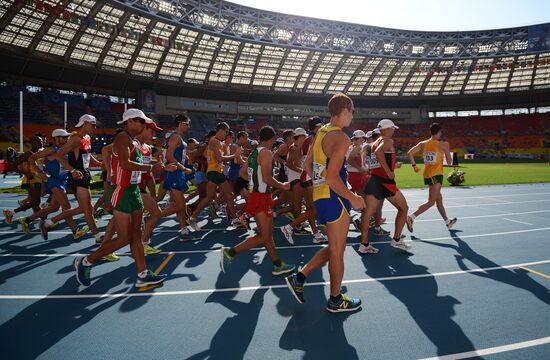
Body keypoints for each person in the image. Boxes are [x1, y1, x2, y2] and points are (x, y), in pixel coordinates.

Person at [285, 93, 365, 313]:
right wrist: (353, 197)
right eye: (352, 111)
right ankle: (335, 300)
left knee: (334, 248)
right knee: (338, 251)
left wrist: (320, 185)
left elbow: (307, 165)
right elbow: (332, 177)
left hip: (321, 197)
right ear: (345, 109)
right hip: (335, 197)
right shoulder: (341, 137)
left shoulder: (321, 132)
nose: (353, 116)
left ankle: (300, 277)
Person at [73, 109, 170, 287]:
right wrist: (149, 169)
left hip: (133, 191)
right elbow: (125, 164)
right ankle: (86, 261)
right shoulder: (122, 137)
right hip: (122, 191)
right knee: (125, 238)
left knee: (136, 235)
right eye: (142, 122)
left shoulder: (134, 141)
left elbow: (137, 164)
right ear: (131, 121)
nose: (144, 125)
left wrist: (157, 165)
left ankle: (142, 275)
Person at [220, 126, 295, 276]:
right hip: (261, 197)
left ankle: (277, 264)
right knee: (265, 236)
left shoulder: (254, 152)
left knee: (267, 234)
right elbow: (267, 178)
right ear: (271, 139)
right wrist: (282, 185)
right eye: (274, 139)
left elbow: (242, 173)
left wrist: (256, 181)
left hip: (257, 195)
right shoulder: (266, 152)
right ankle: (231, 252)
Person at [40, 115, 103, 242]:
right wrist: (72, 170)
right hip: (77, 177)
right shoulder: (75, 139)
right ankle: (98, 237)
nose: (95, 128)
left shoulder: (87, 138)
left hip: (85, 175)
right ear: (85, 123)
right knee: (87, 209)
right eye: (93, 124)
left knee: (84, 209)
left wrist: (99, 163)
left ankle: (48, 222)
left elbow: (87, 155)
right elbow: (58, 155)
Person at [19, 129, 88, 238]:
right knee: (66, 206)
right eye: (64, 137)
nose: (66, 139)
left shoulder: (65, 149)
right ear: (56, 138)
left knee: (54, 208)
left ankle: (26, 220)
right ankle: (75, 231)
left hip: (63, 180)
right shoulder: (51, 149)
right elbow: (31, 158)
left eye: (67, 137)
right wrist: (39, 171)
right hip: (55, 180)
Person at [358, 119, 410, 254]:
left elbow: (374, 162)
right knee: (404, 209)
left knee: (367, 212)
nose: (393, 130)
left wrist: (391, 167)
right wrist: (388, 171)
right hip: (385, 182)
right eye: (392, 128)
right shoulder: (387, 141)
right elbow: (379, 154)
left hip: (374, 180)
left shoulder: (372, 143)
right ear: (386, 129)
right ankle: (397, 240)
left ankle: (364, 244)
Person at [188, 122, 241, 230]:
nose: (226, 134)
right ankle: (235, 219)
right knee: (230, 195)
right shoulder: (215, 141)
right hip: (215, 172)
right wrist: (234, 155)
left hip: (213, 171)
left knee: (208, 198)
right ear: (221, 130)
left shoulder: (216, 142)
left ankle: (192, 217)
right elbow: (220, 158)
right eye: (226, 132)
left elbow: (214, 157)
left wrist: (218, 160)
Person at [406, 122, 457, 232]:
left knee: (439, 200)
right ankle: (411, 217)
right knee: (431, 202)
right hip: (437, 175)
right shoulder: (444, 144)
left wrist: (414, 166)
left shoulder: (423, 143)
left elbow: (409, 153)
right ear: (439, 132)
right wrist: (447, 151)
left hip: (428, 174)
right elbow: (449, 162)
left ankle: (448, 222)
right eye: (441, 132)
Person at [3, 135, 45, 225]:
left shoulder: (41, 153)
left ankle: (11, 213)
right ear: (33, 143)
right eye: (39, 141)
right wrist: (25, 173)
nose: (42, 143)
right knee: (36, 202)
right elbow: (13, 165)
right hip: (31, 181)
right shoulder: (28, 154)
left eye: (42, 141)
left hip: (39, 180)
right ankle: (44, 220)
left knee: (36, 202)